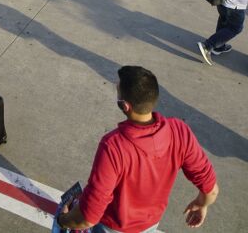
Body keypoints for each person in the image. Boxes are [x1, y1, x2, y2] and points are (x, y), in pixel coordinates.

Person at [57, 65, 219, 232]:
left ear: (125, 106)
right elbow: (211, 190)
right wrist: (201, 203)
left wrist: (63, 220)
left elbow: (88, 217)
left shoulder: (113, 146)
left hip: (112, 227)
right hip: (149, 225)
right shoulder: (179, 131)